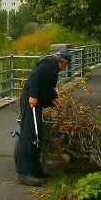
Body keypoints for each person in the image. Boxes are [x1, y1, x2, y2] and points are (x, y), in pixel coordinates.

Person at [14, 49, 72, 186]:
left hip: (37, 102)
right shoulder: (50, 65)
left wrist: (55, 100)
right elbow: (34, 76)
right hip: (31, 102)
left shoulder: (53, 68)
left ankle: (35, 170)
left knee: (37, 135)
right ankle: (24, 173)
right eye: (67, 64)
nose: (66, 67)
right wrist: (33, 96)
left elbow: (47, 86)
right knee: (29, 136)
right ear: (63, 62)